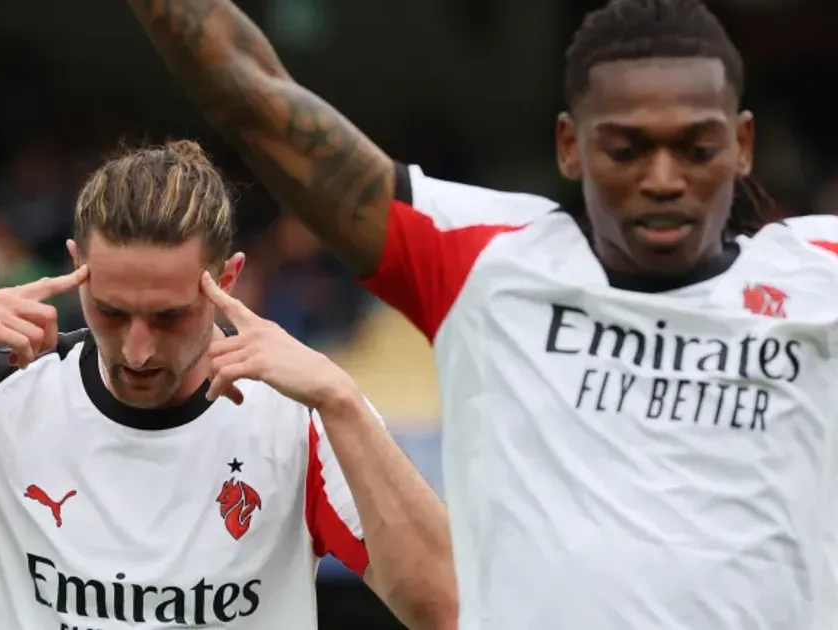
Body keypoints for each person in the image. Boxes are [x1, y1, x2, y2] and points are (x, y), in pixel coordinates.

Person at [126, 0, 838, 628]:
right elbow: (252, 96)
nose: (662, 178)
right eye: (625, 148)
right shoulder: (483, 259)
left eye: (697, 148)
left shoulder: (820, 272)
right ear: (570, 145)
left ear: (742, 145)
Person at [0, 140, 456, 630]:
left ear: (228, 279)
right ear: (76, 264)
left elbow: (448, 608)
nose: (137, 350)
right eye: (111, 311)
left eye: (169, 316)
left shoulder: (303, 414)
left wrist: (342, 403)